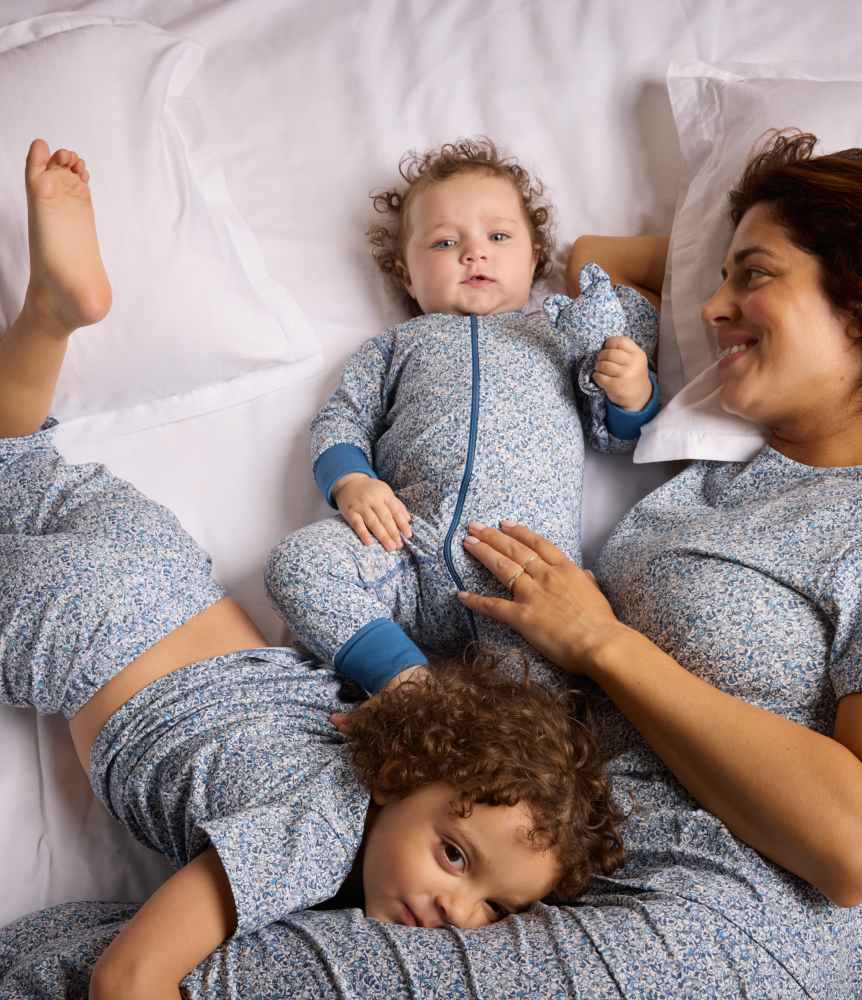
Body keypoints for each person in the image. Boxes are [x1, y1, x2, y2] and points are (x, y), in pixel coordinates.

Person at [5, 130, 862, 1000]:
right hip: (531, 872)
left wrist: (603, 643)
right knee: (122, 945)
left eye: (753, 274)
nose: (710, 302)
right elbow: (596, 260)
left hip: (710, 928)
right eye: (720, 272)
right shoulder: (726, 480)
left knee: (148, 977)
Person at [0, 139, 624, 999]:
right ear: (409, 770)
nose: (456, 911)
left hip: (169, 573)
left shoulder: (357, 768)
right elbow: (126, 978)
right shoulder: (318, 841)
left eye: (495, 910)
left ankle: (52, 314)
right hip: (95, 632)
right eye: (454, 853)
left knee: (16, 461)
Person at [265, 137, 661, 696]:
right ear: (407, 276)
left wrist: (630, 391)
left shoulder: (557, 334)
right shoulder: (395, 346)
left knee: (542, 707)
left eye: (498, 237)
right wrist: (352, 481)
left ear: (533, 259)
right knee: (298, 563)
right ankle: (409, 688)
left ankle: (487, 748)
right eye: (445, 242)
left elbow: (614, 435)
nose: (474, 253)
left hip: (524, 572)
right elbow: (340, 421)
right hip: (404, 549)